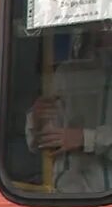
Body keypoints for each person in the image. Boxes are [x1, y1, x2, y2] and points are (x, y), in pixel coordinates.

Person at [26, 29, 112, 193]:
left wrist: (85, 138)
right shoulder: (67, 73)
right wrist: (38, 121)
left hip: (105, 198)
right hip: (64, 193)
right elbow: (41, 141)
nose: (103, 32)